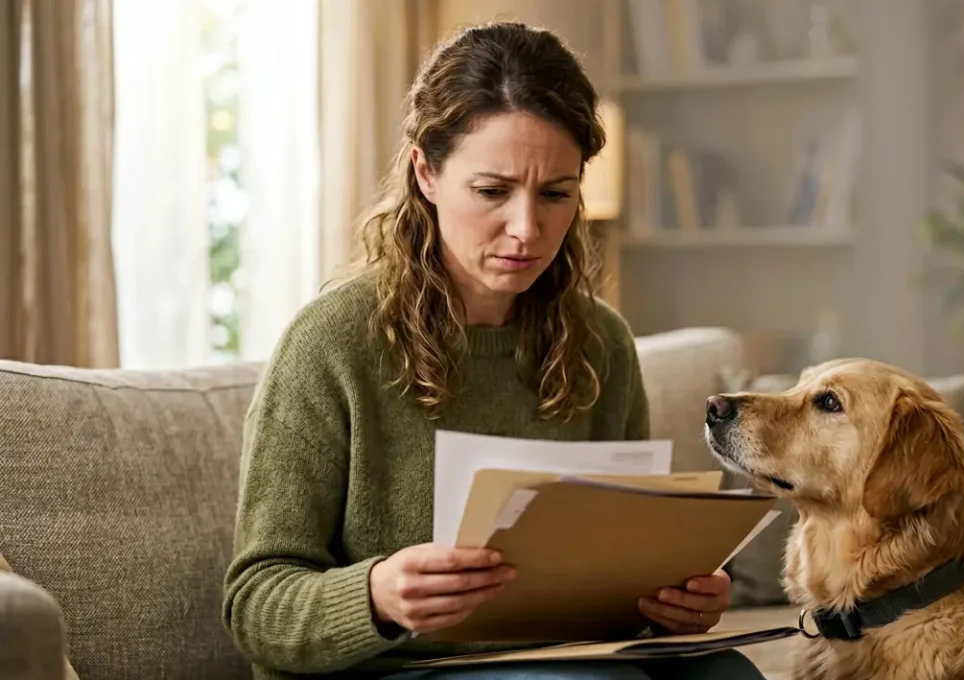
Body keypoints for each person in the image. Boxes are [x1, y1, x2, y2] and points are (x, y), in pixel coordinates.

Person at [220, 20, 767, 680]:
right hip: (396, 670)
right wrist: (376, 596)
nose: (527, 229)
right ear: (426, 172)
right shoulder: (331, 343)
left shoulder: (601, 343)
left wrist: (672, 600)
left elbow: (616, 586)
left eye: (556, 194)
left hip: (565, 660)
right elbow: (256, 605)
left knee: (726, 672)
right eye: (491, 191)